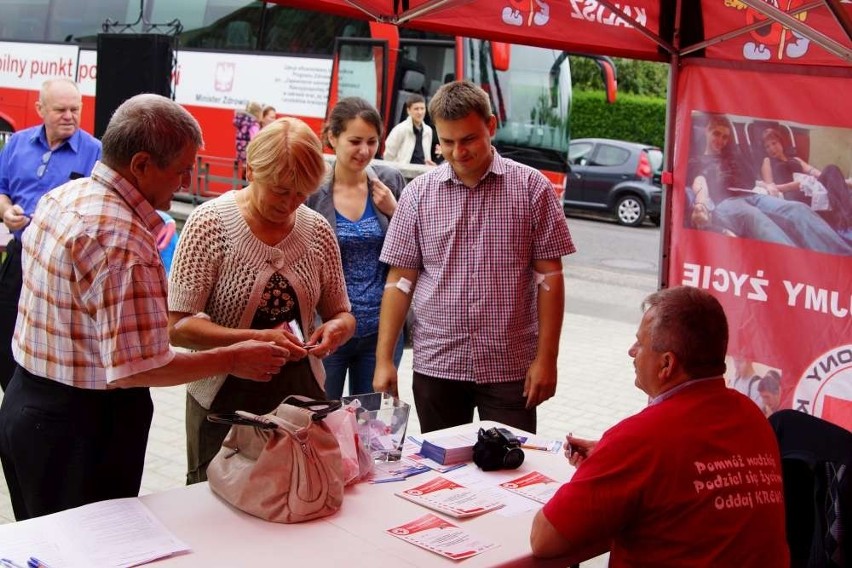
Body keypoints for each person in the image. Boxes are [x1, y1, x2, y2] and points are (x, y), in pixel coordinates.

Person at [0, 94, 290, 521]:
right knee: (93, 548)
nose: (186, 182)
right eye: (180, 170)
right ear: (140, 165)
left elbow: (81, 308)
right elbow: (137, 368)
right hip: (80, 428)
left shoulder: (65, 196)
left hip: (27, 404)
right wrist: (232, 358)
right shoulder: (123, 243)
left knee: (49, 545)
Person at [530, 286, 789, 566]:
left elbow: (545, 539)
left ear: (666, 364)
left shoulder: (640, 439)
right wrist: (609, 460)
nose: (631, 351)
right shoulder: (752, 416)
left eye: (639, 344)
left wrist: (615, 458)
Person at [373, 80, 575, 434]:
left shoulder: (532, 189)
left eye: (468, 139)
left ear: (491, 126)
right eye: (447, 142)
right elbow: (399, 282)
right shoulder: (418, 194)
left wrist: (547, 360)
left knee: (510, 473)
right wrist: (384, 360)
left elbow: (551, 279)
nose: (458, 152)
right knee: (443, 474)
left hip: (510, 367)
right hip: (438, 364)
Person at [168, 117, 356, 484]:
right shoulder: (209, 225)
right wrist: (247, 341)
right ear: (251, 170)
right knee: (219, 513)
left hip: (299, 401)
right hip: (223, 403)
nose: (290, 203)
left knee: (299, 499)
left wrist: (336, 330)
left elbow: (342, 314)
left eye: (302, 193)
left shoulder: (316, 230)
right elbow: (177, 327)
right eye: (280, 190)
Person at [0, 78, 101, 392]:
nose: (69, 115)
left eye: (75, 108)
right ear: (40, 109)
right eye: (60, 110)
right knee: (4, 335)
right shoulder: (17, 143)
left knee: (49, 341)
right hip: (18, 256)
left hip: (62, 266)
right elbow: (1, 190)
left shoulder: (95, 151)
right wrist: (5, 211)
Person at [306, 97, 405, 401]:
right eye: (355, 141)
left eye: (372, 142)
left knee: (370, 431)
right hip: (328, 330)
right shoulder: (313, 190)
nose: (364, 151)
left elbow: (415, 250)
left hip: (380, 333)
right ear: (332, 137)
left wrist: (395, 209)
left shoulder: (389, 181)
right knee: (321, 422)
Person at [688, 114, 852, 255]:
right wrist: (701, 204)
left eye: (725, 137)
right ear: (706, 132)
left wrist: (766, 187)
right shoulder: (698, 161)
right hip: (726, 202)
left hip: (752, 194)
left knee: (797, 209)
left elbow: (754, 181)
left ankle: (844, 256)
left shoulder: (732, 157)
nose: (721, 140)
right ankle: (803, 267)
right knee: (756, 218)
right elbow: (700, 181)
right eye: (716, 134)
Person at [759, 127, 852, 237]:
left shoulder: (796, 159)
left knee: (832, 169)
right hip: (793, 192)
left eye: (774, 143)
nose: (771, 149)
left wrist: (840, 180)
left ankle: (847, 218)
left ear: (781, 143)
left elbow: (818, 174)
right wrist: (795, 185)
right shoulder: (767, 161)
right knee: (829, 185)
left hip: (810, 186)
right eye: (767, 146)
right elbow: (771, 187)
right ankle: (845, 221)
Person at [382, 94, 437, 166]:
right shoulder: (399, 129)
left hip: (422, 173)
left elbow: (427, 156)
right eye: (416, 109)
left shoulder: (428, 130)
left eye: (422, 108)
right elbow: (388, 156)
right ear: (408, 110)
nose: (420, 112)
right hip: (403, 173)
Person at [233, 100, 262, 173]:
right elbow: (255, 141)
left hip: (242, 156)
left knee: (244, 179)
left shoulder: (243, 123)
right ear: (258, 113)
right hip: (251, 157)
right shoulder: (253, 125)